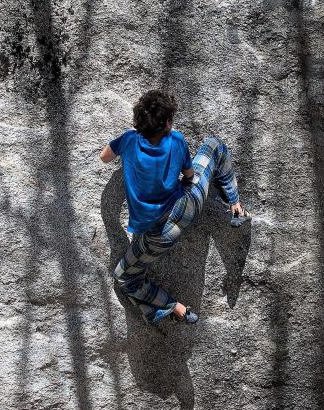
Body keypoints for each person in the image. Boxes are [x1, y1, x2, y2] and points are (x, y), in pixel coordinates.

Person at [100, 89, 249, 326]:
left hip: (156, 237)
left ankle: (175, 308)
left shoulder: (128, 140)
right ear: (168, 123)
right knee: (214, 145)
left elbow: (104, 157)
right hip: (186, 206)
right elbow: (189, 175)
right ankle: (236, 206)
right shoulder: (176, 140)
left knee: (124, 278)